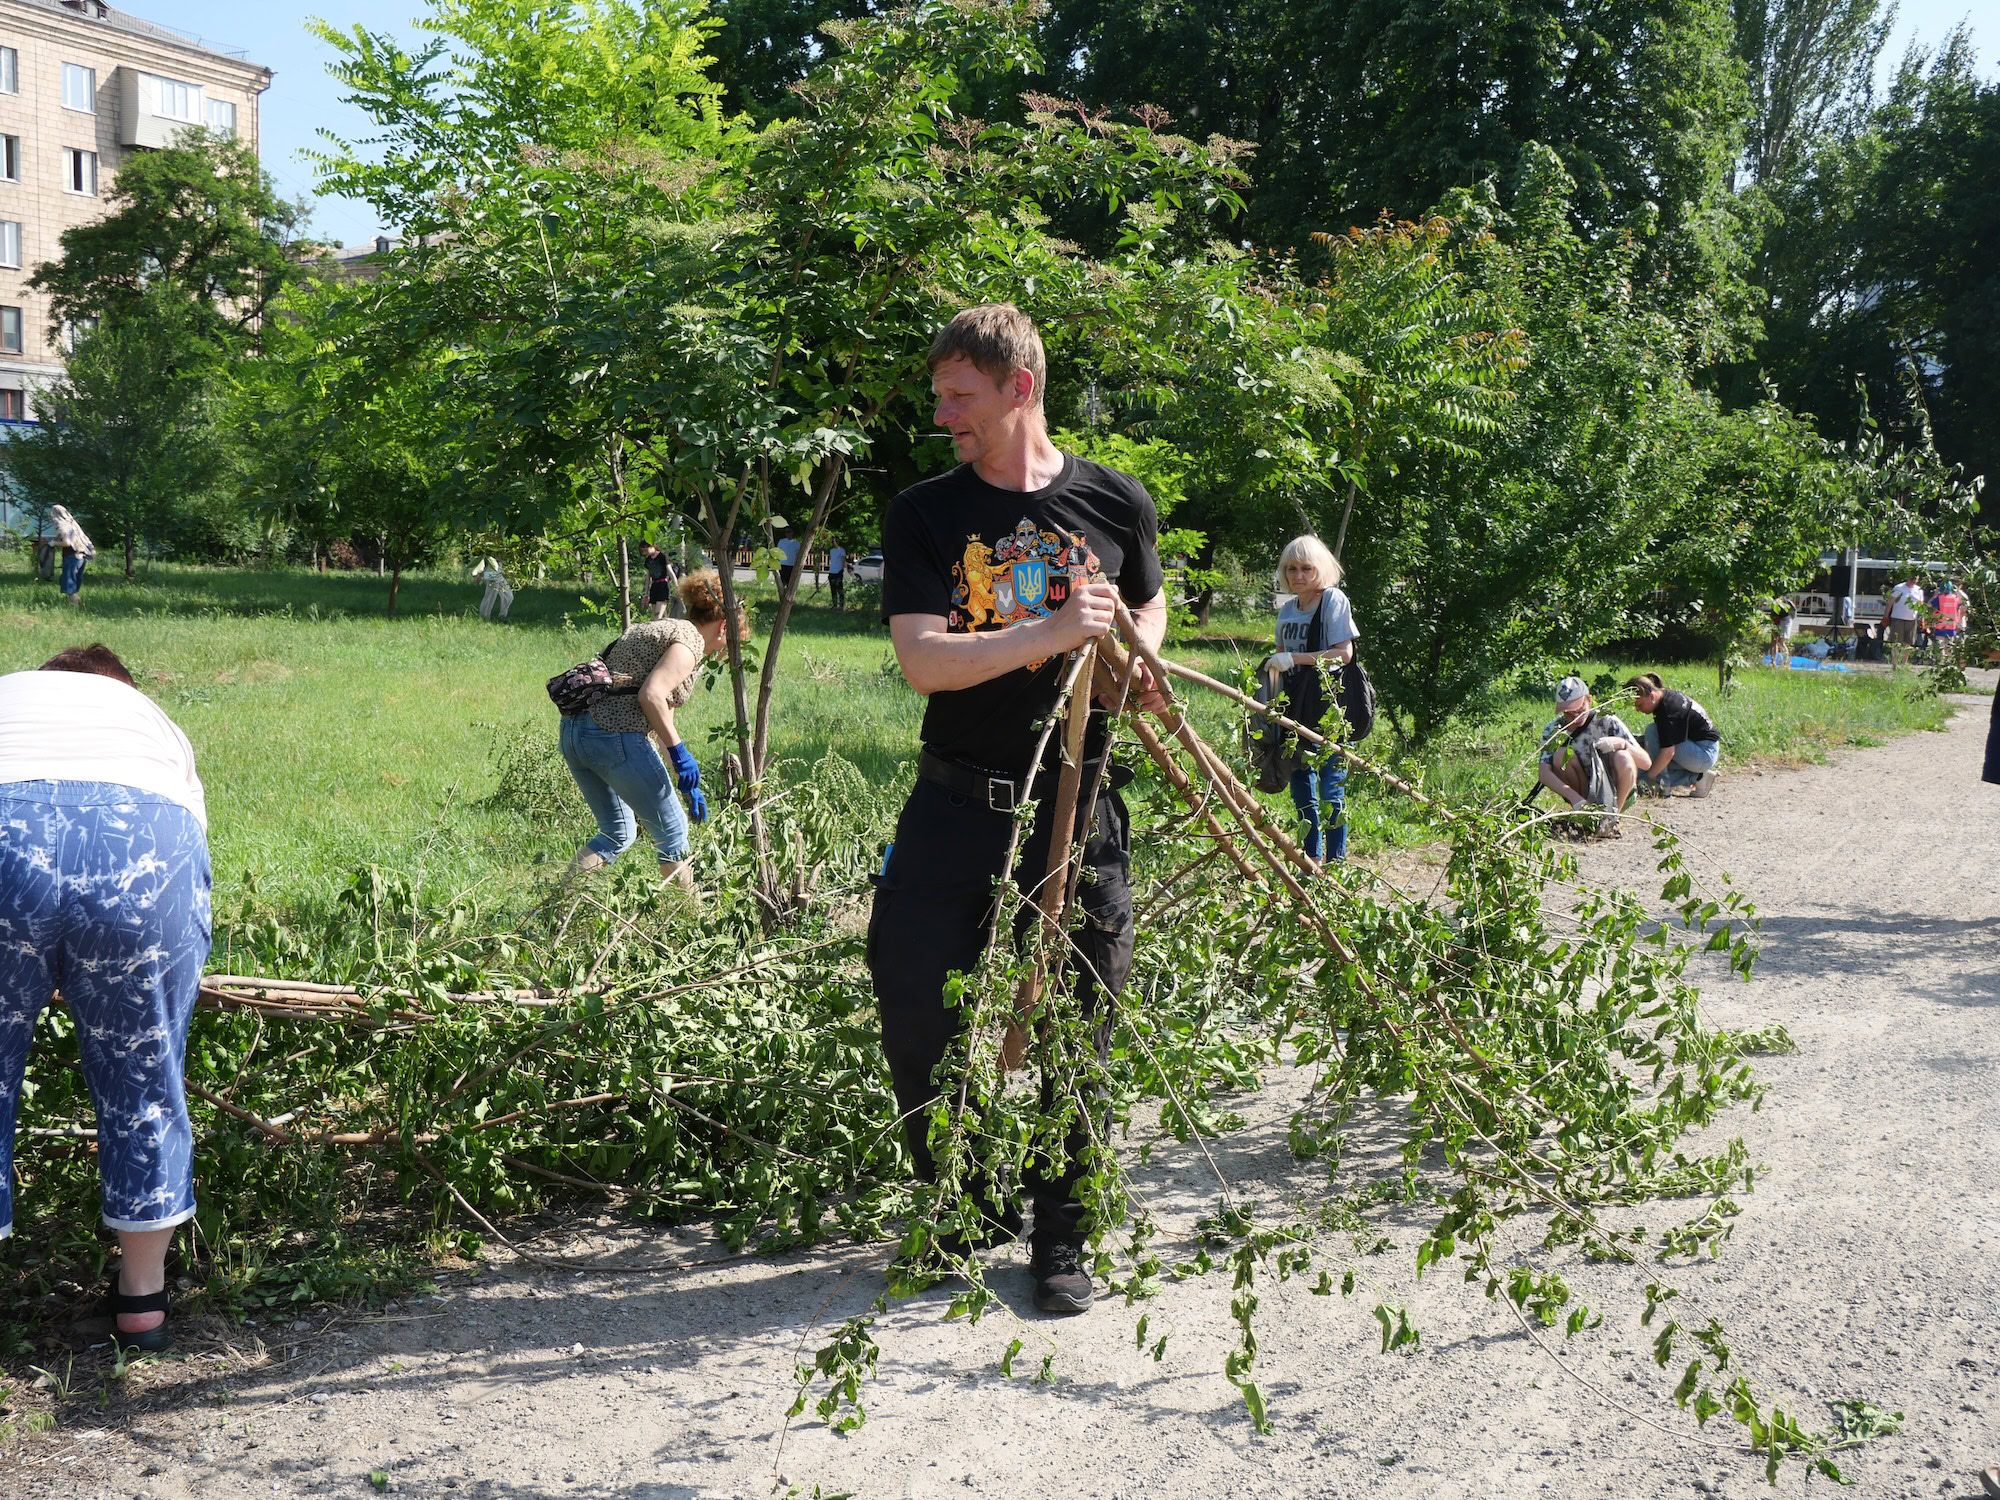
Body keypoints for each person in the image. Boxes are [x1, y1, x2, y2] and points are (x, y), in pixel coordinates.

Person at [871, 303, 1169, 1316]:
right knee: (914, 995)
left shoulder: (1114, 501)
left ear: (1020, 388)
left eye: (960, 396)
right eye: (939, 395)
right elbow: (924, 661)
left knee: (1081, 1019)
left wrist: (1138, 655)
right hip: (957, 799)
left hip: (1078, 806)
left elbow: (1145, 611)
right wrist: (1047, 632)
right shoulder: (925, 513)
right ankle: (963, 1203)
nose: (942, 414)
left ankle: (1060, 1234)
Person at [0, 644, 211, 1351]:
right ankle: (142, 1303)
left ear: (45, 680)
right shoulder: (151, 722)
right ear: (122, 688)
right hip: (143, 831)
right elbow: (193, 851)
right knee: (143, 1074)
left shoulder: (9, 696)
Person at [557, 569, 743, 889]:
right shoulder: (689, 642)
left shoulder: (666, 629)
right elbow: (651, 695)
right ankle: (687, 915)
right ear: (724, 626)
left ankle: (557, 906)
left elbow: (662, 717)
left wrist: (682, 775)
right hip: (614, 734)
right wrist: (680, 754)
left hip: (576, 734)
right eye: (734, 640)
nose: (727, 650)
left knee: (617, 833)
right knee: (673, 834)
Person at [1263, 535, 1358, 862]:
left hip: (1331, 707)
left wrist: (1295, 658)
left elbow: (1343, 654)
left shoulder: (1332, 601)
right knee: (1302, 786)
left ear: (1320, 569)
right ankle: (1310, 860)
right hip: (1295, 708)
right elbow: (1279, 660)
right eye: (1291, 569)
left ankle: (1336, 864)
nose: (1298, 575)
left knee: (1331, 790)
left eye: (1306, 568)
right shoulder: (1287, 610)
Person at [1536, 676, 1647, 837]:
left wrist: (1622, 743)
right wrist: (1576, 800)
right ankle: (1587, 815)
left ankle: (1612, 819)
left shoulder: (1607, 721)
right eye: (1568, 713)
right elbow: (1544, 773)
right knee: (1560, 756)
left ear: (1589, 700)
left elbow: (1646, 763)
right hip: (1582, 790)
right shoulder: (1554, 729)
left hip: (1616, 792)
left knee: (1623, 757)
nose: (1574, 717)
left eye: (1578, 709)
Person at [1623, 673, 1720, 797]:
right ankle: (1699, 777)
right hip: (1700, 749)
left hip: (1704, 753)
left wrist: (1647, 779)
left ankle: (1661, 785)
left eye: (1639, 705)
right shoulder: (1665, 697)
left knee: (1652, 733)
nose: (1637, 709)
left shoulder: (1668, 711)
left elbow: (1668, 753)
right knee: (1645, 767)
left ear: (1652, 696)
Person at [50, 505, 93, 605]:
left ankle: (76, 607)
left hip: (72, 556)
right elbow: (86, 540)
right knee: (73, 584)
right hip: (82, 556)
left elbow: (67, 543)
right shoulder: (73, 524)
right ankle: (76, 605)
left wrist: (54, 543)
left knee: (69, 586)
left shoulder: (62, 525)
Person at [1884, 576, 1923, 663]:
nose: (1913, 581)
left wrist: (1922, 618)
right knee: (1896, 642)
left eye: (1915, 579)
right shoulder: (1898, 588)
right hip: (1898, 618)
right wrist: (1885, 616)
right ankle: (1894, 663)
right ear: (1907, 578)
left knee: (1908, 642)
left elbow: (1920, 605)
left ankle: (1903, 664)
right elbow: (1890, 603)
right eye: (1911, 579)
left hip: (1912, 620)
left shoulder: (1919, 590)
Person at [642, 542, 679, 622]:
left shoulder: (662, 556)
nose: (645, 553)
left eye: (646, 550)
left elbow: (670, 572)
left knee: (657, 615)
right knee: (656, 616)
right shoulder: (648, 560)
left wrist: (677, 586)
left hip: (663, 586)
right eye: (643, 551)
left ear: (652, 546)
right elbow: (648, 577)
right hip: (654, 587)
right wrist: (646, 593)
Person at [472, 556, 514, 620]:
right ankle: (484, 616)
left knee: (508, 596)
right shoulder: (491, 552)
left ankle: (502, 616)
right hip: (491, 574)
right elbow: (485, 560)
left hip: (497, 574)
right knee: (490, 596)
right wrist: (479, 575)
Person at [826, 537, 848, 611]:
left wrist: (842, 570)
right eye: (833, 541)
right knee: (833, 590)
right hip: (831, 572)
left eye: (835, 541)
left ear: (838, 542)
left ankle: (841, 606)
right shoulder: (831, 550)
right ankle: (834, 605)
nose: (834, 543)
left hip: (838, 572)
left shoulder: (842, 550)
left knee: (840, 589)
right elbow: (832, 561)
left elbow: (843, 560)